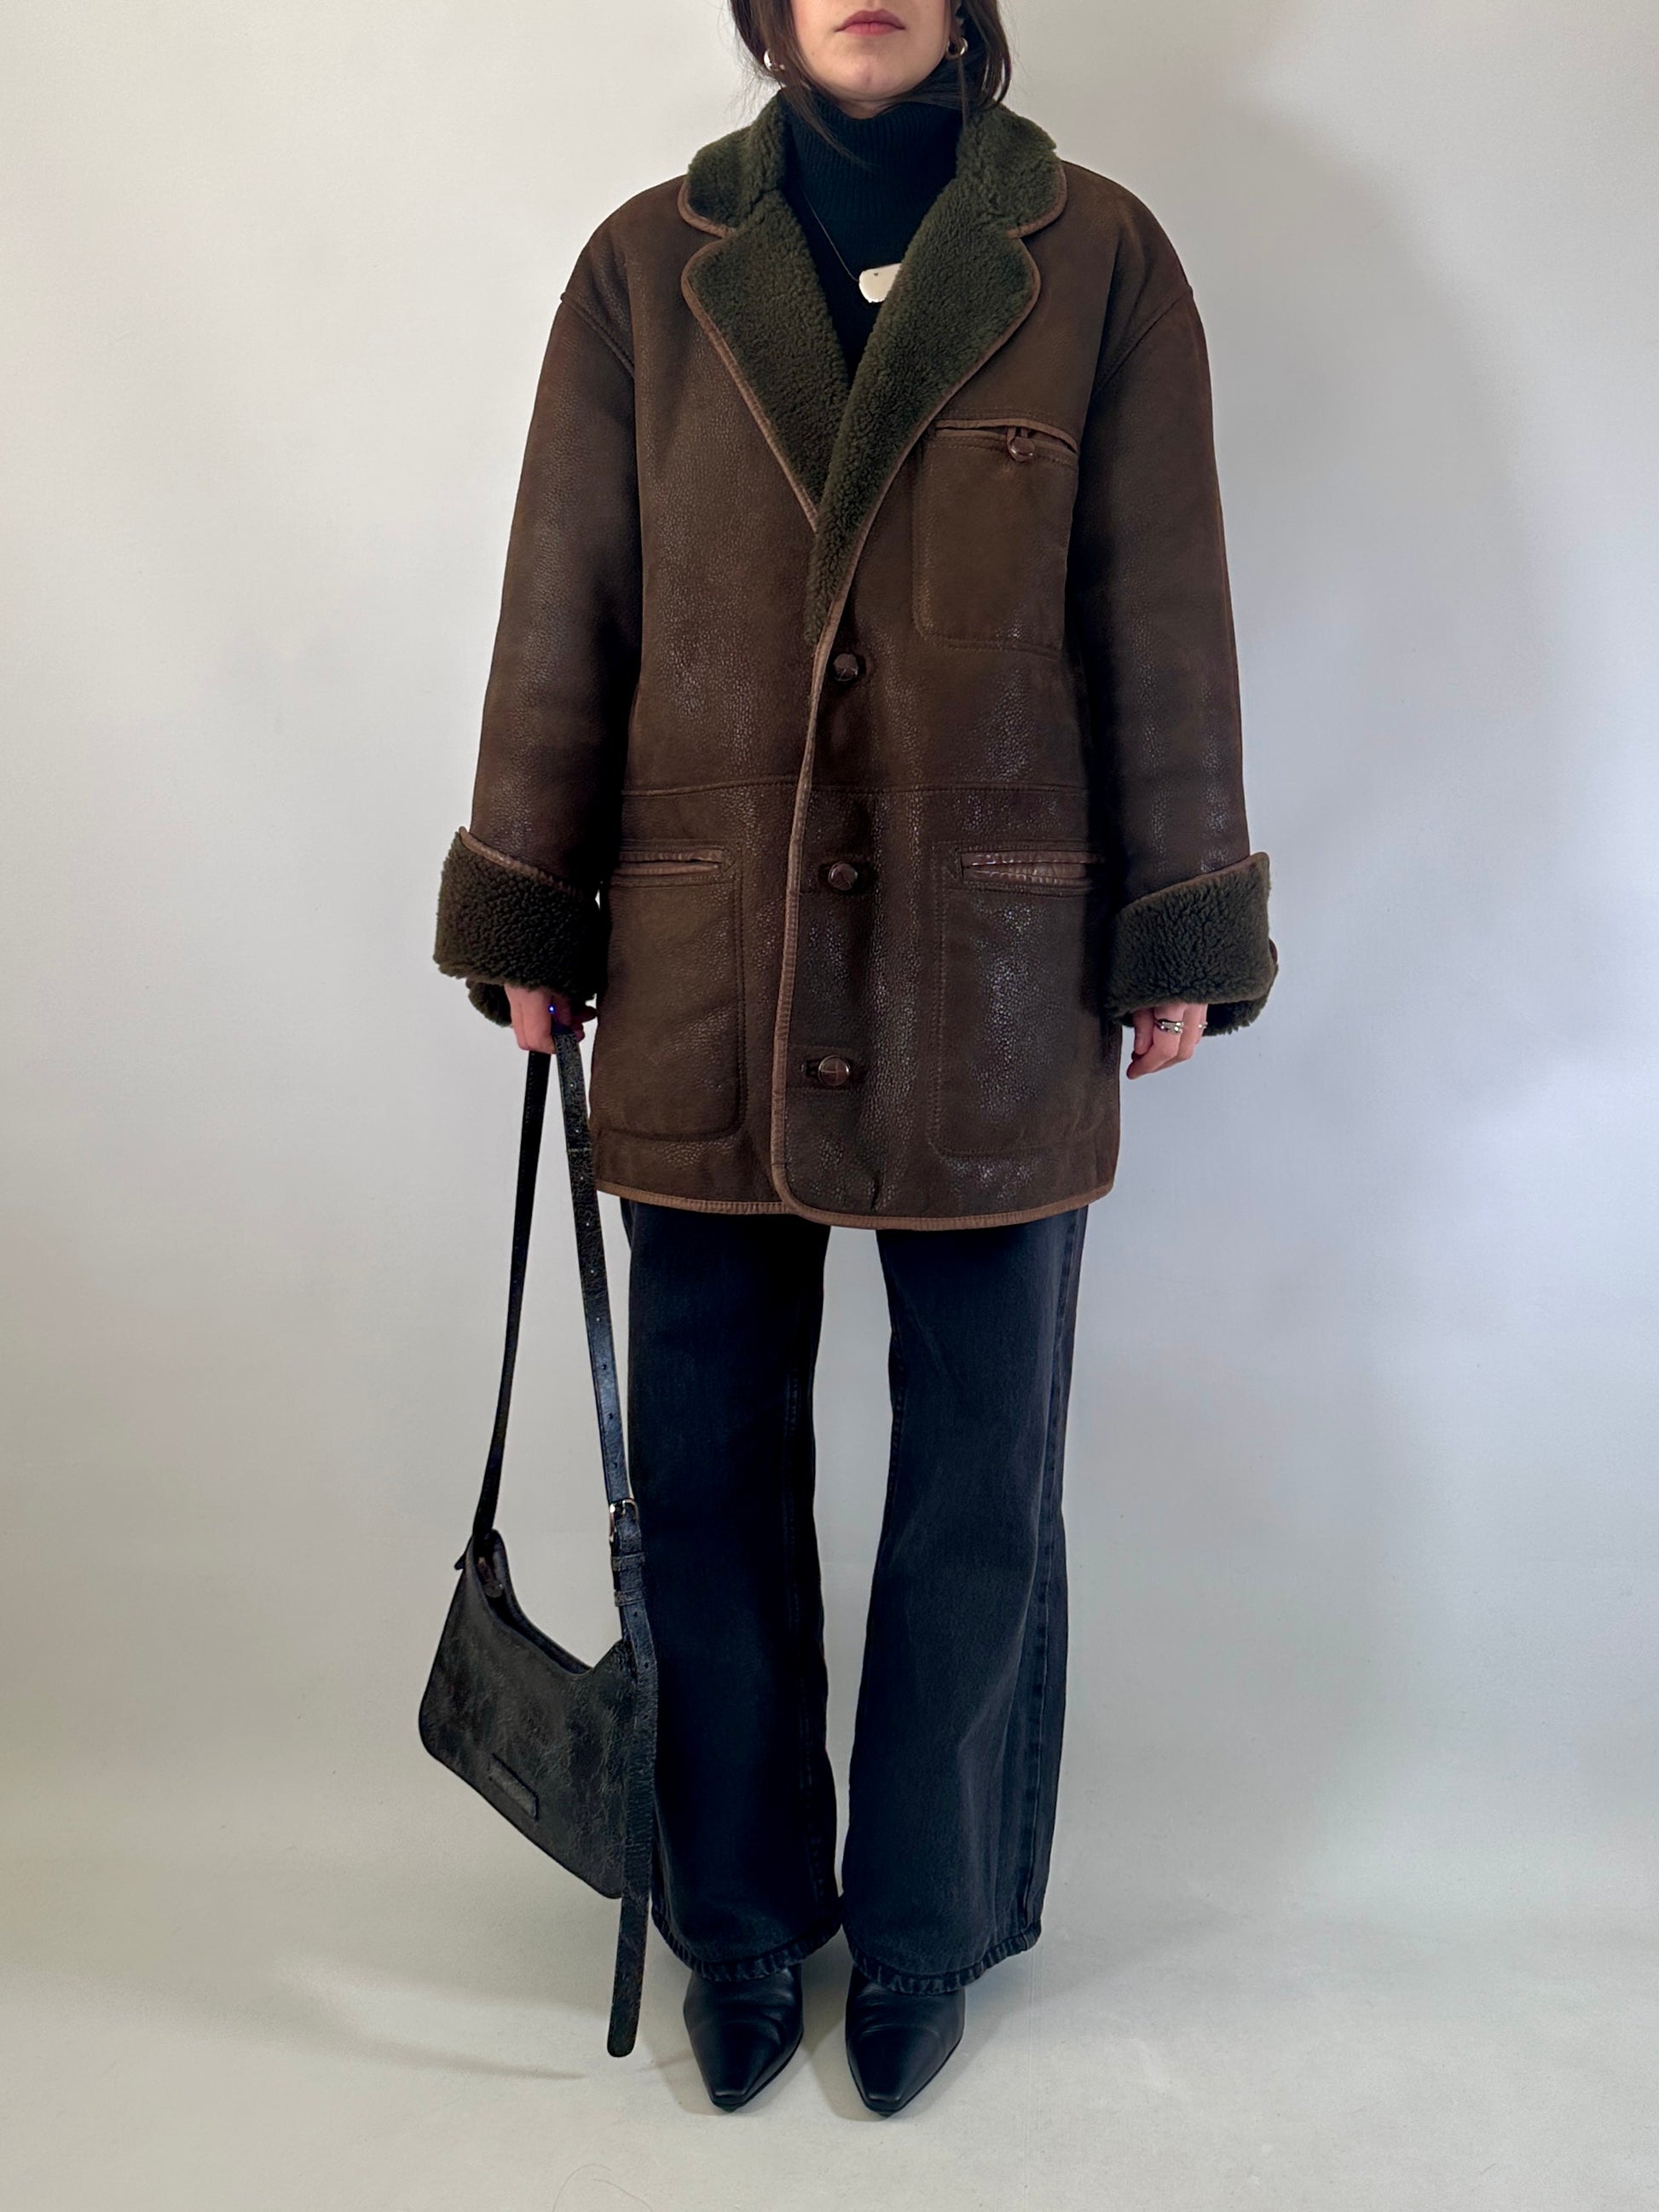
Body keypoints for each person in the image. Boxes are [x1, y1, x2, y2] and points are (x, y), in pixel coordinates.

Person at [433, 0, 1276, 2117]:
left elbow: (1161, 610)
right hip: (703, 961)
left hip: (995, 969)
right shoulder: (650, 267)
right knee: (705, 1480)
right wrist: (531, 902)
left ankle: (921, 1922)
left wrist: (1179, 907)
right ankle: (735, 1916)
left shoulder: (1096, 258)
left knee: (976, 1484)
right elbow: (566, 601)